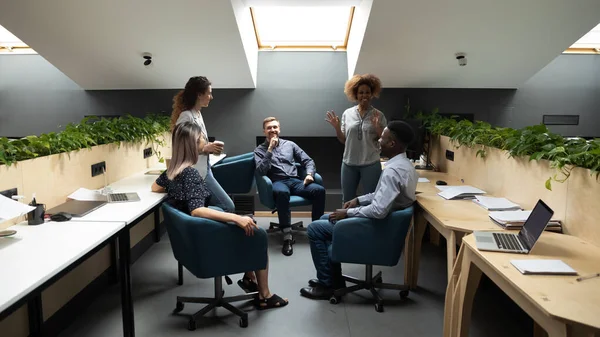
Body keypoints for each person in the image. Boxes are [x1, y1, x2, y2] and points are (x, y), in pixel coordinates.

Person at [152, 122, 288, 310]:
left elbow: (155, 187)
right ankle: (265, 295)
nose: (205, 141)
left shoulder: (173, 171)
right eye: (201, 138)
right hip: (206, 238)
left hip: (192, 237)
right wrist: (237, 218)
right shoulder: (190, 173)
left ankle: (250, 279)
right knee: (257, 234)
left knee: (247, 224)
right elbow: (197, 210)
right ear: (192, 143)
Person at [300, 121, 418, 299]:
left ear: (392, 144)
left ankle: (327, 285)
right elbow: (382, 195)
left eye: (382, 138)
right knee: (325, 218)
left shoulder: (392, 171)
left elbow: (378, 210)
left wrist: (347, 213)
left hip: (378, 228)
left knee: (315, 229)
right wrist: (358, 200)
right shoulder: (405, 165)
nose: (379, 141)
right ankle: (334, 279)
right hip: (386, 223)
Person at [254, 117, 326, 257]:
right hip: (277, 182)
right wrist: (269, 150)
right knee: (282, 193)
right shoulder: (259, 150)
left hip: (295, 181)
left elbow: (308, 160)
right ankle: (287, 235)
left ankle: (317, 229)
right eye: (269, 128)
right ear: (264, 131)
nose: (272, 130)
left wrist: (310, 174)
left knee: (319, 190)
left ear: (279, 129)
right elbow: (261, 171)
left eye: (275, 127)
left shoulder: (290, 145)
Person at [169, 76, 235, 213]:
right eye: (209, 93)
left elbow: (196, 141)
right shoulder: (186, 116)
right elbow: (181, 146)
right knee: (228, 206)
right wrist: (205, 148)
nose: (211, 97)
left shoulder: (198, 114)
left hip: (205, 169)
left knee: (206, 206)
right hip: (197, 173)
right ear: (199, 94)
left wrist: (208, 146)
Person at [325, 74, 387, 204]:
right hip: (349, 163)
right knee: (347, 200)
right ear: (355, 95)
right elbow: (343, 140)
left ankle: (366, 224)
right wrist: (336, 127)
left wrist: (377, 128)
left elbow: (384, 140)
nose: (364, 95)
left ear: (372, 94)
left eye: (367, 92)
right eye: (361, 92)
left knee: (371, 199)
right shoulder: (348, 113)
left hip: (370, 163)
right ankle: (346, 224)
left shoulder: (378, 115)